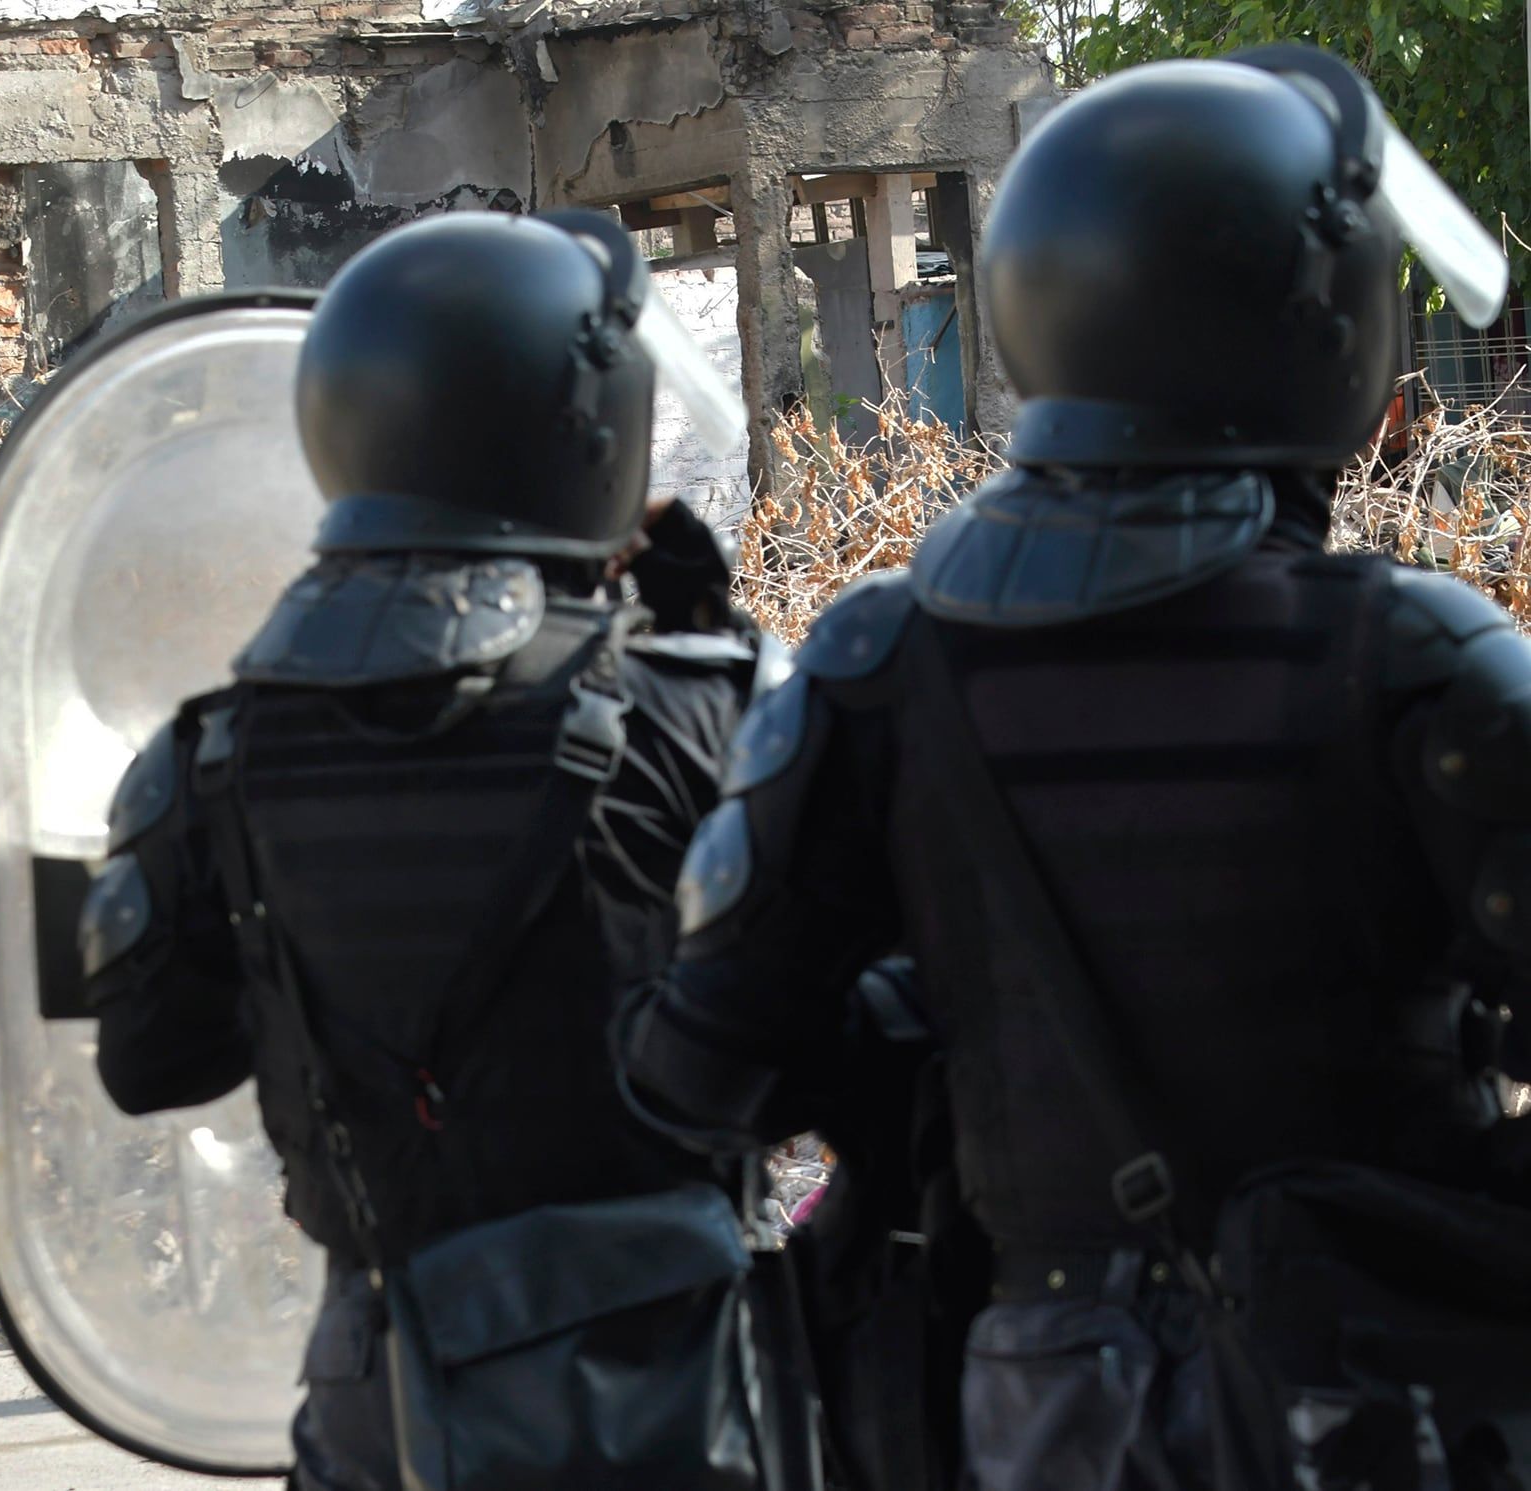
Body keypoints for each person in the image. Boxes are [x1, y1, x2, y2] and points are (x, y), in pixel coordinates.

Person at [618, 46, 1531, 1490]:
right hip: (1382, 1393)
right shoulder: (1413, 654)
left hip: (1040, 1404)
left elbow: (702, 1073)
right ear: (1322, 312)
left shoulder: (882, 662)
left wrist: (947, 1020)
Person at [77, 210, 775, 1491]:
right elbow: (822, 1051)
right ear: (586, 428)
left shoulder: (211, 757)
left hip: (385, 1399)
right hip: (671, 1392)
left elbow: (151, 1063)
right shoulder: (703, 714)